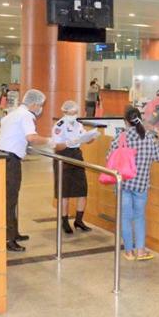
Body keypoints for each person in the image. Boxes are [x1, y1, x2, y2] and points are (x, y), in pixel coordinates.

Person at [0, 89, 56, 252]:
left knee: (11, 198)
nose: (40, 108)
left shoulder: (13, 114)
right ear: (34, 104)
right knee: (10, 200)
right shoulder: (26, 115)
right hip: (11, 160)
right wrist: (50, 141)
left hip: (3, 157)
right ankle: (9, 239)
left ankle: (14, 233)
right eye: (40, 105)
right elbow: (31, 137)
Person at [109, 106, 159, 261]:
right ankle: (141, 251)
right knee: (139, 217)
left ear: (126, 121)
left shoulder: (121, 137)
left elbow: (110, 157)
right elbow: (158, 157)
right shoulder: (147, 137)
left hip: (123, 183)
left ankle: (129, 252)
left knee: (125, 218)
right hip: (141, 184)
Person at [52, 100, 94, 234]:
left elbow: (85, 138)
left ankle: (79, 220)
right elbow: (56, 146)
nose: (74, 115)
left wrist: (90, 137)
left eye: (75, 112)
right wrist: (68, 143)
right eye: (71, 113)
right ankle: (64, 221)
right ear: (64, 112)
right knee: (64, 191)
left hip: (77, 155)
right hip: (63, 156)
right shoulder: (59, 125)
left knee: (82, 190)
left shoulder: (78, 124)